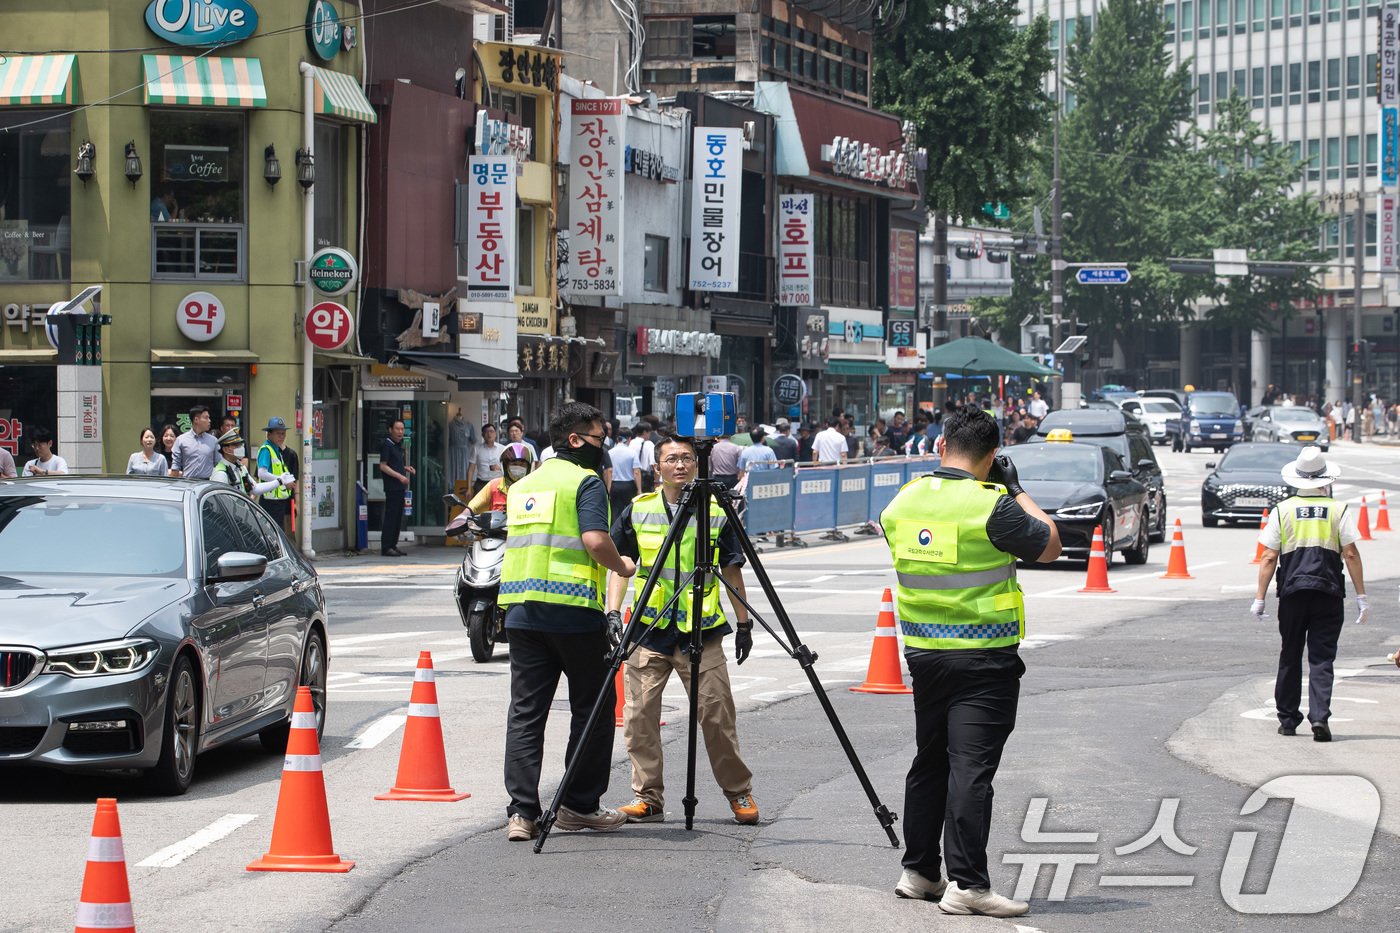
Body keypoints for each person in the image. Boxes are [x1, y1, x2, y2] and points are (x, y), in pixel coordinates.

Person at [881, 408, 1061, 917]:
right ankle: (968, 885)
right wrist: (1016, 489)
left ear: (941, 446)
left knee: (930, 761)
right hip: (982, 660)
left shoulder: (904, 499)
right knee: (971, 771)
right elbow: (1050, 545)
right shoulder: (994, 505)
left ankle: (919, 872)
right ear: (991, 457)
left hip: (923, 655)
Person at [500, 402, 637, 842]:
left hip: (521, 611)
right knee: (593, 710)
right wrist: (624, 567)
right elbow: (596, 541)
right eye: (600, 438)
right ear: (575, 440)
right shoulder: (585, 481)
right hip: (573, 612)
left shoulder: (526, 483)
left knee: (526, 713)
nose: (605, 447)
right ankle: (579, 806)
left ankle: (522, 813)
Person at [606, 434, 758, 826]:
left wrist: (744, 623)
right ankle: (648, 798)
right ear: (657, 468)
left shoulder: (716, 512)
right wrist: (612, 611)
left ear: (697, 464)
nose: (680, 465)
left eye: (687, 458)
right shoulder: (638, 510)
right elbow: (621, 563)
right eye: (671, 459)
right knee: (638, 718)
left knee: (717, 718)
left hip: (701, 633)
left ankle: (739, 793)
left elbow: (732, 571)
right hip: (648, 629)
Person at [1251, 446, 1366, 742]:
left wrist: (1260, 598)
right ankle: (1320, 718)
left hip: (1292, 592)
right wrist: (1361, 596)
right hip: (1328, 592)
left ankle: (1288, 720)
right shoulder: (1338, 509)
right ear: (1326, 479)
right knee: (1322, 658)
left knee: (1290, 653)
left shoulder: (1283, 510)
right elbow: (1351, 553)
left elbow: (1268, 557)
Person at [378, 420, 415, 557]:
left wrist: (405, 468)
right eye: (397, 429)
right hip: (392, 486)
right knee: (391, 517)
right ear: (390, 430)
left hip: (400, 486)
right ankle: (386, 546)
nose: (400, 432)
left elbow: (394, 464)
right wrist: (399, 476)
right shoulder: (387, 445)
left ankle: (393, 545)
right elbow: (383, 465)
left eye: (402, 429)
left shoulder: (397, 445)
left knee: (398, 517)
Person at [256, 417, 298, 534]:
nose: (282, 437)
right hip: (270, 502)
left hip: (278, 502)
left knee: (277, 536)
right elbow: (261, 473)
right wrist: (282, 481)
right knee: (273, 536)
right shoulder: (267, 450)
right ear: (269, 434)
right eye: (278, 434)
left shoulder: (276, 450)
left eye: (283, 434)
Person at [466, 442, 533, 514]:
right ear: (505, 466)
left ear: (528, 468)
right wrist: (462, 517)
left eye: (522, 465)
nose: (518, 467)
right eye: (514, 464)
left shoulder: (534, 487)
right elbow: (472, 506)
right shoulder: (494, 485)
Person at [210, 429, 280, 497]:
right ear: (225, 449)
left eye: (240, 444)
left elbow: (255, 489)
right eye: (236, 445)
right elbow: (222, 503)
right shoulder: (220, 473)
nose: (240, 448)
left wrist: (279, 481)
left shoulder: (240, 467)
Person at [169, 405, 219, 479]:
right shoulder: (181, 440)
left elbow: (219, 464)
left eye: (209, 417)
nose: (209, 420)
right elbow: (175, 467)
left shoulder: (213, 441)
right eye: (206, 418)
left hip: (207, 484)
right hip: (188, 483)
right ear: (196, 420)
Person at [607, 432, 643, 519]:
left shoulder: (610, 452)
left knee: (615, 511)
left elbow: (608, 471)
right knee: (630, 511)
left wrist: (608, 488)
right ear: (629, 439)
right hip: (628, 486)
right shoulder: (632, 452)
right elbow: (636, 472)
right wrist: (639, 490)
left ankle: (615, 531)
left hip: (614, 485)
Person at [469, 423, 505, 494]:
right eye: (486, 432)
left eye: (491, 431)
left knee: (498, 505)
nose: (489, 434)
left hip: (498, 483)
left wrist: (500, 468)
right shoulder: (476, 448)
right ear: (483, 435)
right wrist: (468, 488)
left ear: (495, 434)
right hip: (481, 483)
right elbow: (471, 470)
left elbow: (508, 468)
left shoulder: (503, 449)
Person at [449, 408, 477, 487]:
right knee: (453, 470)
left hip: (465, 452)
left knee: (465, 470)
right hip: (453, 452)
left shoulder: (468, 425)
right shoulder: (450, 425)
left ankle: (464, 487)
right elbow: (447, 440)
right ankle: (452, 488)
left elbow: (473, 439)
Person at [628, 423, 657, 493]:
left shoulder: (631, 443)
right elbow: (654, 463)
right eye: (649, 432)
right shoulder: (649, 444)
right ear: (644, 432)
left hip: (631, 479)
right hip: (645, 480)